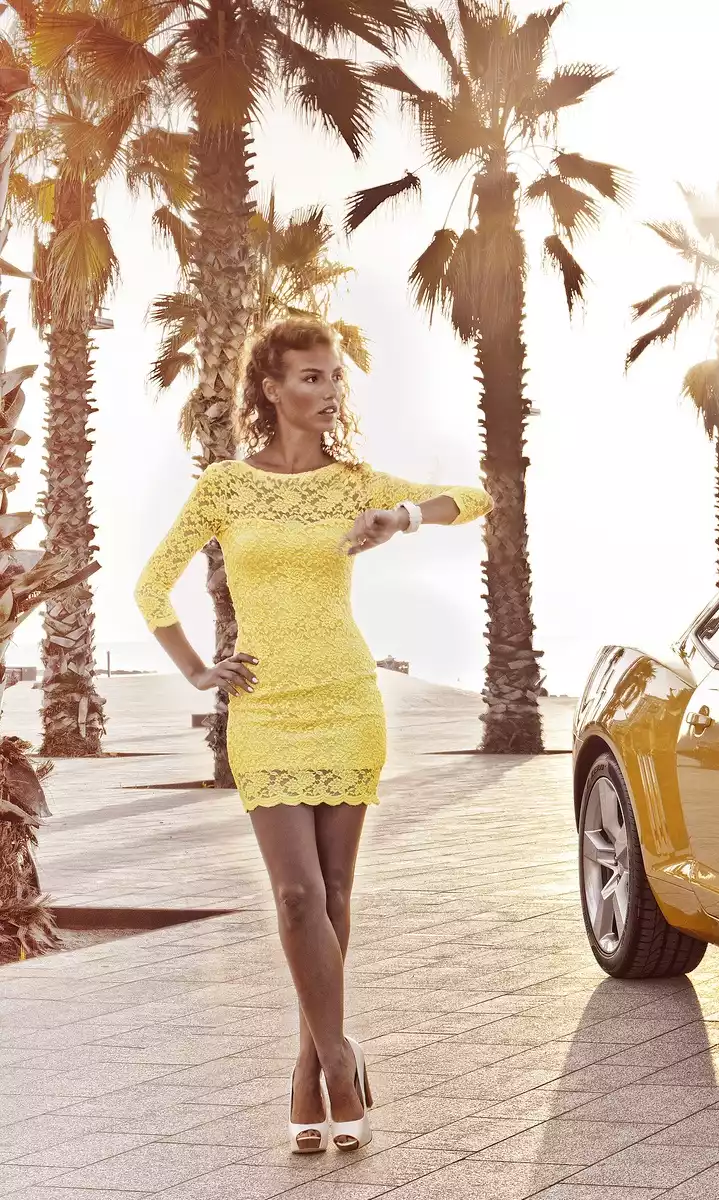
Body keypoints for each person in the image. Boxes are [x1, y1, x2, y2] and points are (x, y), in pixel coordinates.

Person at [135, 319, 492, 1153]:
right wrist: (197, 670)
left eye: (334, 378)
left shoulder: (350, 484)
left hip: (345, 698)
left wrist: (398, 517)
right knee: (296, 895)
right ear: (270, 389)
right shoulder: (226, 486)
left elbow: (469, 499)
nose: (329, 392)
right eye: (310, 378)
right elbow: (153, 586)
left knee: (333, 895)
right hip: (264, 711)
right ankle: (338, 1059)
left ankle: (304, 1067)